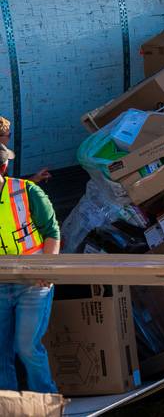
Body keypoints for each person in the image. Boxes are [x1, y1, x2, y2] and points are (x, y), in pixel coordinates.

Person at [0, 143, 60, 393]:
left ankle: (47, 405)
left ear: (3, 167)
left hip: (34, 282)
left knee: (26, 347)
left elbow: (52, 232)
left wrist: (45, 270)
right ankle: (8, 408)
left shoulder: (27, 191)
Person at [0, 117, 51, 184]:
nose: (9, 138)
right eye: (9, 135)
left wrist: (35, 178)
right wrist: (33, 180)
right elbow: (10, 191)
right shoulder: (3, 160)